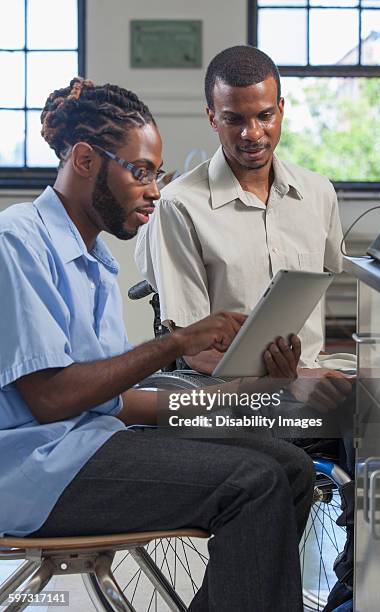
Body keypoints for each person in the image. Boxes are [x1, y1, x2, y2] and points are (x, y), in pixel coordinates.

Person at [0, 78, 315, 612]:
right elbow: (51, 400)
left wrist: (246, 393)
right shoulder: (18, 241)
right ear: (84, 160)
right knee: (253, 484)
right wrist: (178, 343)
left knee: (290, 469)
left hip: (90, 445)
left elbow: (115, 403)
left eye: (157, 174)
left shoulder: (94, 258)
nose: (154, 190)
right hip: (34, 472)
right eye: (139, 171)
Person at [135, 45, 355, 376]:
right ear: (212, 117)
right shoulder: (178, 206)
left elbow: (316, 308)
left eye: (264, 116)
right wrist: (286, 382)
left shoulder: (318, 192)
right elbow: (194, 350)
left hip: (309, 378)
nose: (251, 134)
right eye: (233, 119)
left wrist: (310, 376)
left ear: (281, 109)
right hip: (229, 392)